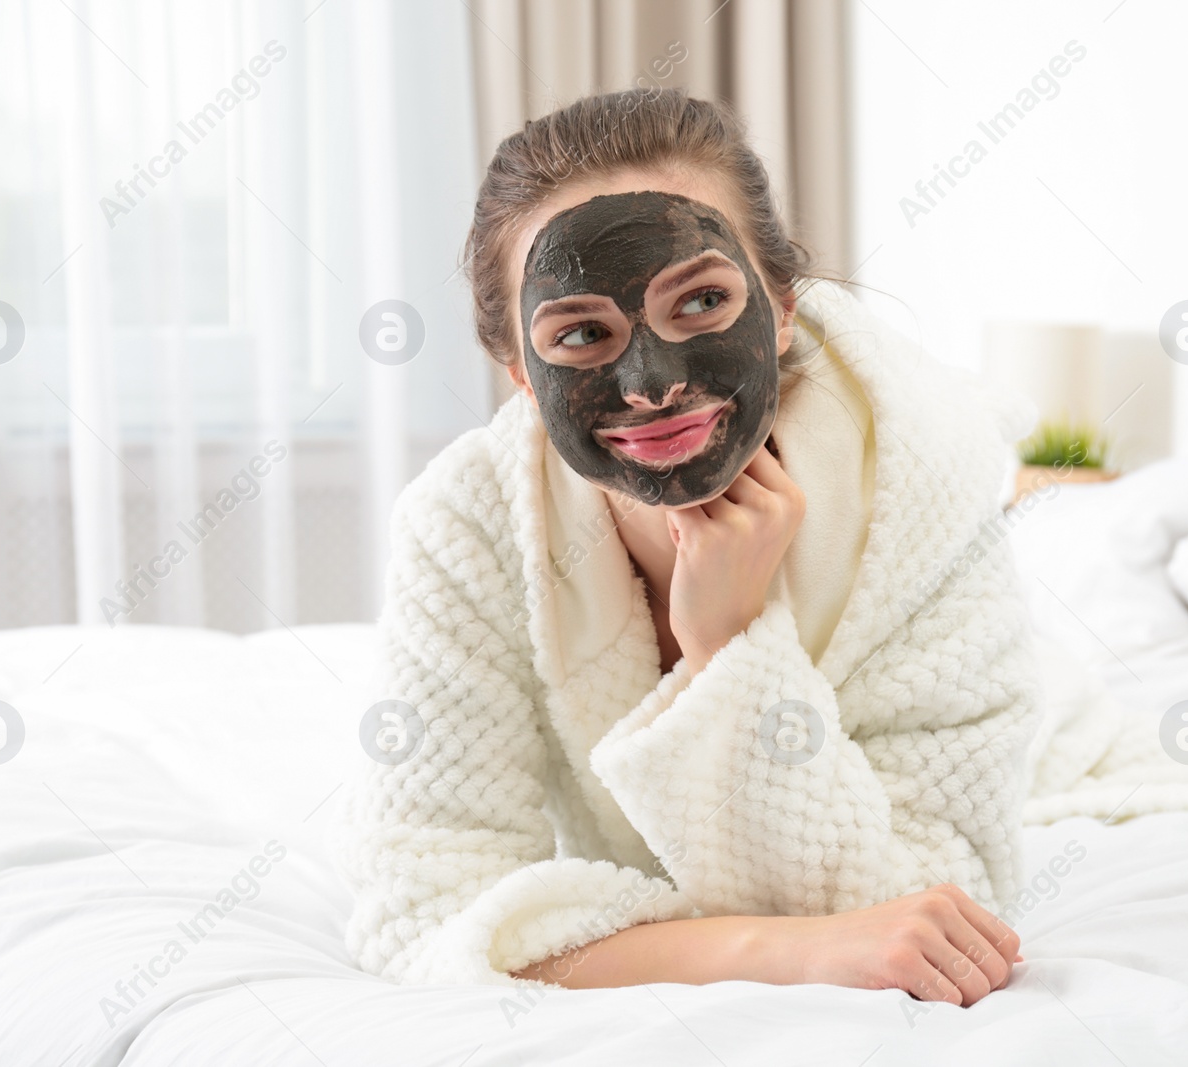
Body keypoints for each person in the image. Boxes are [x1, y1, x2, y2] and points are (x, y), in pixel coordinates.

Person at [336, 87, 1040, 1007]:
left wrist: (728, 645)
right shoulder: (466, 526)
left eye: (702, 300)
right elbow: (422, 914)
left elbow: (940, 924)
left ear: (783, 308)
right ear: (519, 374)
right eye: (583, 332)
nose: (654, 385)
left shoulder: (925, 492)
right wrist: (779, 950)